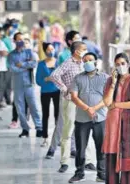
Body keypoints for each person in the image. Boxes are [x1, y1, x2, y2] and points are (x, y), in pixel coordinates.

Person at [50, 41, 95, 173]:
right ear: (76, 51)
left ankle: (89, 161)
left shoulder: (85, 63)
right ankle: (64, 162)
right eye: (84, 49)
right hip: (70, 101)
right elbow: (54, 75)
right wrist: (65, 89)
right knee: (68, 131)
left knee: (86, 130)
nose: (86, 51)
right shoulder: (69, 63)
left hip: (84, 101)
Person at [102, 52, 130, 184]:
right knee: (112, 156)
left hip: (129, 124)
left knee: (128, 156)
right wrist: (114, 83)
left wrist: (116, 105)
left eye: (122, 63)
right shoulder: (110, 81)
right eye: (117, 64)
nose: (120, 66)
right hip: (113, 125)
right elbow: (106, 102)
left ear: (128, 64)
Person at [68, 52, 108, 183]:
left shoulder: (105, 78)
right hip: (81, 119)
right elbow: (74, 97)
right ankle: (79, 173)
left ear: (96, 61)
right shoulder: (77, 78)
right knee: (80, 148)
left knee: (101, 147)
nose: (87, 62)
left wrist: (94, 109)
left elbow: (108, 98)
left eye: (90, 60)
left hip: (100, 118)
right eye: (85, 60)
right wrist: (87, 109)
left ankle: (101, 174)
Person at [44, 30, 82, 160]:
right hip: (67, 96)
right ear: (71, 42)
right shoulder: (65, 57)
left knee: (75, 123)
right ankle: (52, 148)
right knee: (62, 122)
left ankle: (73, 149)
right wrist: (64, 88)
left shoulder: (82, 60)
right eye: (77, 38)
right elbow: (56, 74)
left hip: (79, 97)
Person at [8, 32, 42, 138]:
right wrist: (26, 66)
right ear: (14, 41)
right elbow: (12, 68)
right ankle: (25, 129)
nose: (21, 41)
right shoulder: (11, 55)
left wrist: (22, 64)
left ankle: (39, 128)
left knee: (33, 107)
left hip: (29, 84)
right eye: (18, 39)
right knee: (20, 108)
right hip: (17, 86)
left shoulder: (29, 52)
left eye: (22, 39)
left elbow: (34, 63)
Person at [36, 42, 60, 147]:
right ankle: (45, 138)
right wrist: (45, 79)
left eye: (52, 49)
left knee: (57, 115)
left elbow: (63, 76)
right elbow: (37, 80)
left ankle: (57, 138)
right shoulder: (41, 64)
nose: (51, 51)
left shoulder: (59, 62)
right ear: (45, 51)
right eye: (49, 50)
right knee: (45, 114)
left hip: (57, 91)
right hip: (45, 91)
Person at [0, 26, 11, 108]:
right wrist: (4, 52)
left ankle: (0, 101)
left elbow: (6, 52)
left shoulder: (1, 41)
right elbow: (2, 53)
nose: (2, 34)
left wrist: (5, 52)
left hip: (3, 67)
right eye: (0, 32)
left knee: (2, 86)